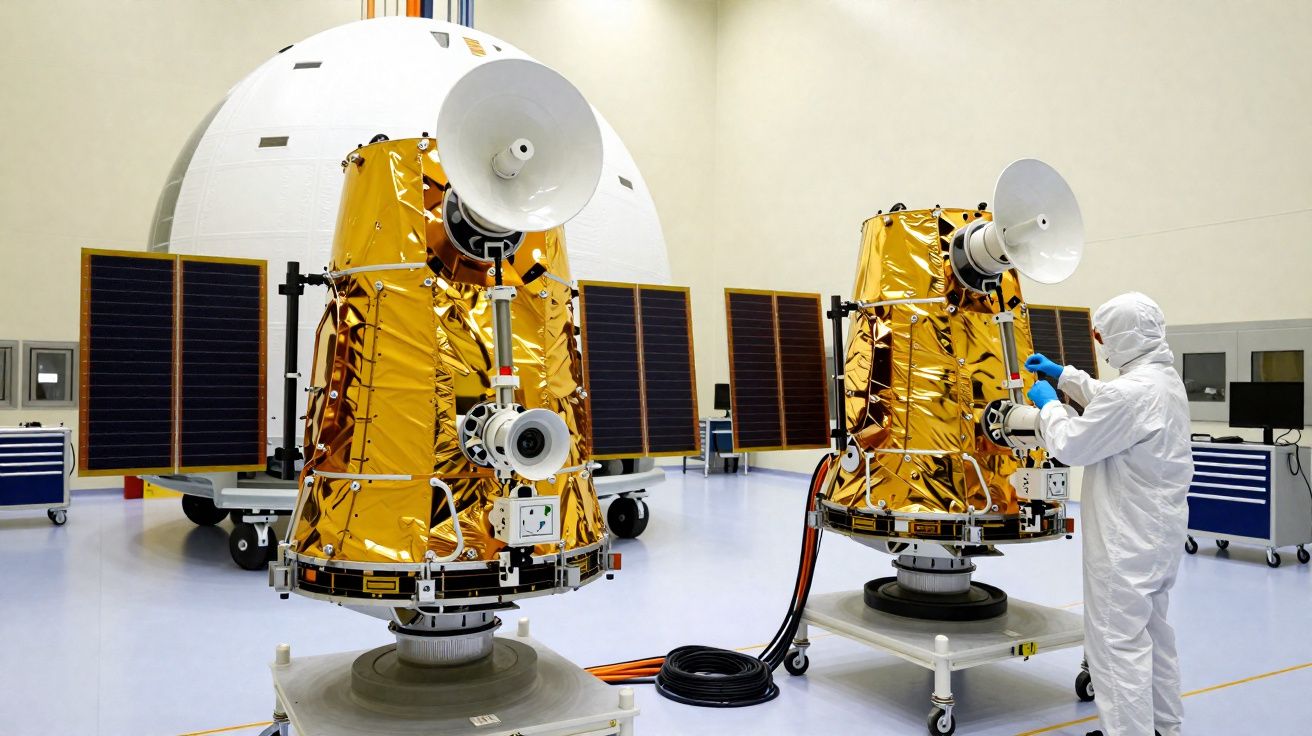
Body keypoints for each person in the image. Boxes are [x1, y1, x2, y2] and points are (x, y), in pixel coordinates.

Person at [1023, 292, 1192, 736]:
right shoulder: (1163, 381)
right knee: (1154, 637)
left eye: (1104, 336)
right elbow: (1112, 401)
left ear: (1123, 336)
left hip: (1124, 541)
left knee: (1116, 644)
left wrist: (1049, 406)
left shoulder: (1132, 394)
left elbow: (1073, 443)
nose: (1101, 344)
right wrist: (1067, 377)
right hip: (1158, 538)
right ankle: (1164, 729)